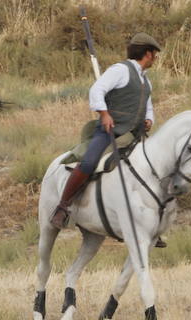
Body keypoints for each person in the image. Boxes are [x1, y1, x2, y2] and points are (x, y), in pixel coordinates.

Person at [50, 34, 160, 233]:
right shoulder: (120, 71)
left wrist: (149, 119)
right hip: (110, 131)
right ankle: (63, 206)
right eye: (155, 54)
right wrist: (104, 113)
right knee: (89, 162)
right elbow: (97, 90)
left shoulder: (146, 81)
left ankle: (151, 221)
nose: (156, 58)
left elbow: (148, 106)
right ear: (147, 53)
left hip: (133, 135)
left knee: (155, 168)